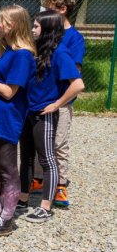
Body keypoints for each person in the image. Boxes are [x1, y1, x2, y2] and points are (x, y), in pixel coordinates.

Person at [18, 11, 84, 223]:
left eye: (36, 27)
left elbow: (78, 84)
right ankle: (23, 199)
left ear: (46, 30)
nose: (32, 30)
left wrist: (56, 104)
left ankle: (46, 206)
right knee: (26, 157)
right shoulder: (35, 52)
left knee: (47, 159)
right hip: (28, 112)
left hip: (43, 114)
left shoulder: (60, 53)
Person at [30, 0, 86, 207]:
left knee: (59, 142)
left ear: (62, 10)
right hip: (39, 100)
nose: (44, 13)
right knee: (38, 141)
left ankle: (60, 185)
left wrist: (59, 100)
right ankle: (38, 179)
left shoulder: (73, 38)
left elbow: (75, 73)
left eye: (49, 8)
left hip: (60, 101)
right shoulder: (42, 33)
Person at [0, 5, 36, 237]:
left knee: (7, 168)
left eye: (0, 21)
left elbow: (9, 92)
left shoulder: (23, 56)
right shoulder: (6, 52)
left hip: (8, 119)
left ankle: (7, 218)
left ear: (13, 25)